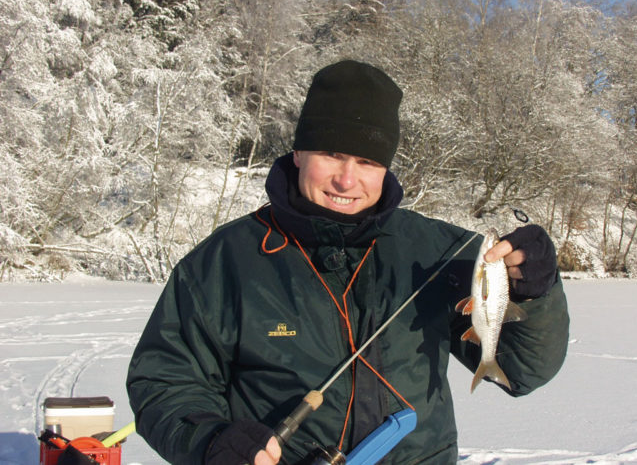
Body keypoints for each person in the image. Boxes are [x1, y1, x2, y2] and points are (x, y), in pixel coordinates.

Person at [126, 60, 569, 465]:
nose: (347, 179)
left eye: (367, 161)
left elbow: (523, 371)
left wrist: (536, 291)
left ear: (386, 170)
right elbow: (164, 381)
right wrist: (212, 441)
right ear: (298, 153)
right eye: (331, 154)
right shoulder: (226, 260)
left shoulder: (440, 250)